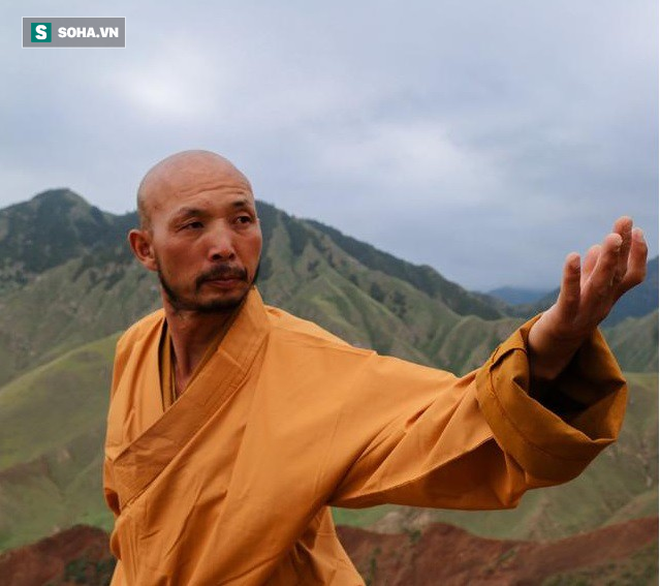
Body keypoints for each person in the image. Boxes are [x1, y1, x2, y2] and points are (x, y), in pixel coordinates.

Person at [103, 150, 647, 585]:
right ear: (145, 249)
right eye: (193, 225)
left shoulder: (312, 366)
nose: (224, 246)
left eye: (241, 219)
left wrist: (554, 344)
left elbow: (453, 424)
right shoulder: (136, 348)